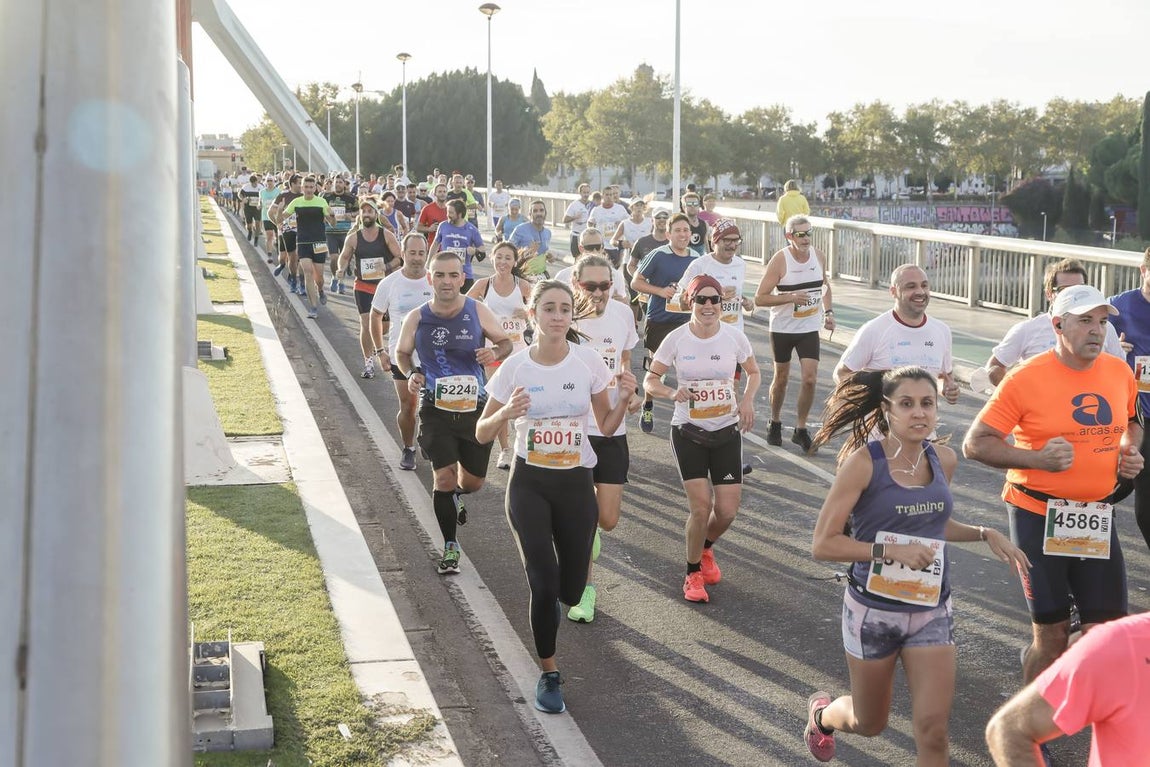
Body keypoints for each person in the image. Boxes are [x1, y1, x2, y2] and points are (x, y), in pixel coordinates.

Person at [803, 367, 1030, 764]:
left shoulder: (943, 459)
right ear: (887, 409)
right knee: (868, 722)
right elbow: (824, 544)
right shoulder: (863, 464)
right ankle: (823, 717)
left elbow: (931, 524)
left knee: (933, 730)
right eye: (906, 404)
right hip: (874, 613)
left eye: (927, 403)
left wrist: (982, 532)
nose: (919, 413)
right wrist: (887, 552)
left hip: (931, 611)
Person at [962, 284, 1142, 687]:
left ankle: (1104, 742)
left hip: (1095, 514)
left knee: (1105, 633)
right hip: (1037, 514)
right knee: (1053, 635)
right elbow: (975, 443)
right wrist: (1035, 459)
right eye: (1085, 322)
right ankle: (1027, 734)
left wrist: (1129, 451)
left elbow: (1132, 422)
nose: (1097, 331)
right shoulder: (1026, 378)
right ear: (1058, 324)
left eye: (1102, 322)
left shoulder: (1117, 371)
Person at [477, 279, 637, 715]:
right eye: (549, 309)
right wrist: (506, 414)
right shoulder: (516, 367)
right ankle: (549, 673)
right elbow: (481, 430)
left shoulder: (587, 362)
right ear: (533, 315)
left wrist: (624, 400)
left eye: (565, 309)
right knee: (543, 584)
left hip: (575, 482)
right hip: (530, 484)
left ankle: (573, 574)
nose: (558, 316)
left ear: (572, 316)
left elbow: (604, 427)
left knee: (570, 590)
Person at [644, 275, 760, 603]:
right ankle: (692, 573)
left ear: (722, 304)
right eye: (701, 300)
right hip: (689, 432)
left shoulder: (734, 337)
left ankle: (706, 548)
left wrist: (747, 400)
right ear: (690, 303)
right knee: (701, 508)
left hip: (726, 431)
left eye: (714, 300)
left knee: (726, 511)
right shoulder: (676, 339)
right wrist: (670, 392)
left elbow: (753, 371)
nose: (708, 306)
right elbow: (651, 381)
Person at [394, 250, 512, 573]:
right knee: (443, 478)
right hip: (435, 408)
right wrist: (412, 373)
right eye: (440, 275)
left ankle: (457, 496)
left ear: (462, 278)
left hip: (474, 408)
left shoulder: (477, 310)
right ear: (430, 278)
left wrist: (493, 353)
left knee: (472, 483)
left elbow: (505, 343)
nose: (446, 281)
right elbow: (402, 354)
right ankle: (450, 546)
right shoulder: (416, 317)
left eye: (453, 275)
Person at [565, 254, 641, 623]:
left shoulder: (623, 314)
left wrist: (631, 388)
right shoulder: (565, 318)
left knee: (607, 519)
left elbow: (625, 359)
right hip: (576, 430)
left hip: (613, 427)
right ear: (576, 284)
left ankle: (591, 528)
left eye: (605, 285)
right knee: (581, 522)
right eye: (590, 286)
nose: (599, 293)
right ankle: (585, 592)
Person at [985, 611, 1150, 767]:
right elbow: (1009, 730)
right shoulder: (1121, 645)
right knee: (1052, 637)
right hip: (1102, 648)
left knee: (1092, 626)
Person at [754, 215, 836, 453]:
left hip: (808, 327)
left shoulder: (818, 256)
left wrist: (829, 312)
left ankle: (800, 429)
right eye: (801, 234)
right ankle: (775, 420)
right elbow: (760, 297)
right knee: (781, 378)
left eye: (809, 232)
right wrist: (790, 298)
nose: (806, 238)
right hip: (782, 328)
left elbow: (825, 287)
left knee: (810, 378)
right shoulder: (780, 260)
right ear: (789, 236)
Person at [833, 264, 960, 409]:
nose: (920, 291)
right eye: (911, 286)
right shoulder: (874, 330)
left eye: (924, 285)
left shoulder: (942, 331)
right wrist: (868, 400)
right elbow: (841, 374)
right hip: (879, 428)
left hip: (923, 426)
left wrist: (947, 389)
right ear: (893, 292)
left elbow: (943, 377)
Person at [984, 258, 1125, 387]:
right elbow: (994, 366)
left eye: (1079, 289)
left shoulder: (1104, 328)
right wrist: (1017, 394)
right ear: (1049, 294)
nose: (1073, 295)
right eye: (1065, 290)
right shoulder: (1027, 329)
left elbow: (1120, 371)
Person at [467, 241, 532, 471]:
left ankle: (523, 444)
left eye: (508, 258)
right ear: (492, 259)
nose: (503, 262)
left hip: (518, 352)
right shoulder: (483, 285)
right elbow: (464, 307)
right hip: (493, 351)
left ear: (514, 262)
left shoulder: (522, 285)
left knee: (525, 399)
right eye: (499, 257)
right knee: (500, 400)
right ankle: (505, 450)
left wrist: (524, 313)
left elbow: (539, 310)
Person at [370, 232, 433, 469]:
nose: (417, 258)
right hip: (401, 355)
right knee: (408, 406)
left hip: (433, 355)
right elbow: (375, 316)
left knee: (433, 405)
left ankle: (429, 439)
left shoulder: (435, 280)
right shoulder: (390, 283)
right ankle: (408, 448)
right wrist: (380, 351)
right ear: (403, 254)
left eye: (421, 253)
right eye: (412, 253)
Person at [631, 213, 698, 434]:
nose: (682, 234)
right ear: (668, 234)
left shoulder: (696, 258)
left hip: (686, 321)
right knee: (655, 367)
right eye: (677, 230)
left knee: (688, 368)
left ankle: (691, 413)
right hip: (659, 319)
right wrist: (660, 291)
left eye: (686, 230)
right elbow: (636, 282)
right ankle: (648, 405)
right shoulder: (657, 255)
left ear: (691, 234)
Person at [1107, 247, 1150, 550]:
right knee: (1115, 486)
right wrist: (1114, 351)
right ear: (1143, 270)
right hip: (1132, 414)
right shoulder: (1117, 308)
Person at [338, 199, 402, 379]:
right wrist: (340, 269)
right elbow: (344, 257)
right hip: (363, 286)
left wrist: (387, 267)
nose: (366, 214)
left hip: (384, 286)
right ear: (360, 215)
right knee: (366, 324)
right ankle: (368, 363)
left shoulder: (386, 235)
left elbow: (399, 257)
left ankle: (376, 343)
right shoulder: (353, 237)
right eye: (363, 211)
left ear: (376, 215)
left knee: (384, 327)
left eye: (370, 211)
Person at [280, 176, 337, 319]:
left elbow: (333, 224)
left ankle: (321, 290)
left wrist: (332, 215)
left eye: (312, 187)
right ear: (302, 188)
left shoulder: (321, 202)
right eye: (306, 187)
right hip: (303, 242)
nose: (309, 190)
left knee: (319, 277)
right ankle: (313, 307)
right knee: (307, 272)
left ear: (315, 188)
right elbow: (279, 220)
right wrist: (278, 211)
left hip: (319, 242)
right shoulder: (296, 202)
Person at [553, 228, 630, 306]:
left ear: (602, 248)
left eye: (597, 247)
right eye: (589, 247)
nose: (594, 251)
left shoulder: (617, 276)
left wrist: (624, 303)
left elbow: (623, 305)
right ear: (581, 249)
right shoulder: (562, 276)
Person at [429, 199, 486, 294]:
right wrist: (428, 264)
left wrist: (475, 251)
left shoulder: (471, 229)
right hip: (444, 273)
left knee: (465, 305)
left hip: (464, 275)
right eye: (447, 212)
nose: (447, 215)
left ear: (459, 214)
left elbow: (482, 248)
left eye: (451, 213)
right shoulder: (443, 226)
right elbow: (435, 245)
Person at [323, 175, 358, 295]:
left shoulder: (351, 197)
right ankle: (334, 277)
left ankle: (341, 282)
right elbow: (320, 210)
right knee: (334, 258)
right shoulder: (326, 196)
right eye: (336, 182)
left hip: (345, 232)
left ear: (344, 184)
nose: (338, 184)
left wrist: (352, 215)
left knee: (344, 258)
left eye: (340, 182)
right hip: (330, 232)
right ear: (333, 183)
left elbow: (359, 211)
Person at [270, 174, 303, 295]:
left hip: (300, 230)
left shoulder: (304, 196)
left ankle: (295, 280)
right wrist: (277, 224)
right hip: (286, 230)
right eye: (299, 183)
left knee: (295, 257)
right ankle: (282, 265)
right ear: (292, 184)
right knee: (283, 257)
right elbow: (270, 212)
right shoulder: (283, 196)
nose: (301, 185)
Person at [587, 186, 630, 267]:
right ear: (602, 196)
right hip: (602, 245)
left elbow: (629, 222)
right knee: (603, 268)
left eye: (611, 195)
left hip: (615, 245)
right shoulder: (596, 210)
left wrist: (621, 223)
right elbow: (590, 223)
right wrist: (592, 234)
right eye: (607, 195)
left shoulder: (620, 209)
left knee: (615, 268)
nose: (609, 197)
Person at [510, 200, 555, 270]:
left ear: (545, 213)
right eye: (535, 211)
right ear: (530, 214)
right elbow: (508, 251)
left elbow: (542, 253)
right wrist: (527, 252)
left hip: (541, 274)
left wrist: (549, 257)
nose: (539, 213)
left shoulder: (548, 233)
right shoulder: (520, 229)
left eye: (541, 210)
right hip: (523, 274)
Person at [562, 183, 594, 258]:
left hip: (588, 236)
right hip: (576, 235)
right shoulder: (574, 205)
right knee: (577, 258)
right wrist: (575, 217)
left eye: (587, 192)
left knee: (588, 258)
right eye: (584, 192)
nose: (586, 195)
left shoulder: (592, 205)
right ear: (580, 193)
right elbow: (564, 219)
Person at [679, 191, 709, 255]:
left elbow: (706, 245)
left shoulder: (704, 224)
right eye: (689, 204)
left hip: (700, 260)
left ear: (698, 206)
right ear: (684, 207)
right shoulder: (679, 224)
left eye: (695, 204)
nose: (692, 206)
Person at [258, 175, 281, 260]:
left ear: (274, 181)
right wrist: (259, 205)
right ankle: (270, 254)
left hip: (276, 217)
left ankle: (279, 250)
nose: (269, 182)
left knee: (278, 236)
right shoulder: (262, 192)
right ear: (265, 182)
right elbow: (260, 202)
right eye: (268, 181)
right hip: (266, 216)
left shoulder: (278, 191)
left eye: (271, 180)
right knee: (269, 235)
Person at [238, 174, 263, 243]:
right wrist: (243, 199)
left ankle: (256, 237)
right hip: (248, 208)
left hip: (257, 208)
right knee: (249, 224)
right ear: (250, 182)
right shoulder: (246, 187)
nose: (254, 185)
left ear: (257, 181)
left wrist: (261, 203)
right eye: (252, 184)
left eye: (255, 183)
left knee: (258, 223)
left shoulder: (261, 187)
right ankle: (250, 231)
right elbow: (240, 194)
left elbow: (264, 196)